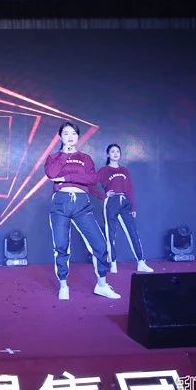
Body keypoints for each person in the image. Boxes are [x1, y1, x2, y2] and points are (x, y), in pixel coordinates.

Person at [45, 122, 121, 301]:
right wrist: (64, 155)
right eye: (66, 133)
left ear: (78, 136)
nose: (70, 137)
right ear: (60, 137)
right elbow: (51, 174)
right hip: (61, 203)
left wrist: (67, 177)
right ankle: (63, 285)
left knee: (100, 244)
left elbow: (92, 179)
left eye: (73, 133)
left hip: (82, 204)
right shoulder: (53, 157)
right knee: (61, 246)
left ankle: (101, 285)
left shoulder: (85, 158)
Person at [95, 143, 154, 274]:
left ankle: (141, 262)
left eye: (117, 151)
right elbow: (91, 184)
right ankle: (113, 262)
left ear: (120, 154)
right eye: (112, 151)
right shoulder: (104, 170)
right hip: (111, 202)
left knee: (133, 233)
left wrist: (133, 207)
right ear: (108, 154)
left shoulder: (124, 170)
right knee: (111, 234)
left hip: (125, 203)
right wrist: (103, 195)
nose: (115, 154)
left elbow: (129, 189)